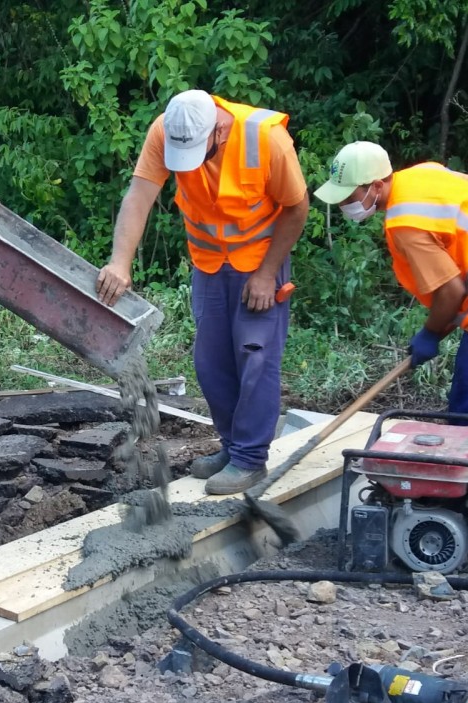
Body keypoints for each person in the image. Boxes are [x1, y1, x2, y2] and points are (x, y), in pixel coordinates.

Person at [96, 89, 309, 494]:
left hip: (261, 264)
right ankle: (231, 448)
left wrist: (267, 275)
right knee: (211, 364)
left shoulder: (266, 139)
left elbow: (296, 208)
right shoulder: (167, 129)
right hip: (209, 264)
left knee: (255, 359)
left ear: (220, 130)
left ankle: (249, 459)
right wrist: (119, 262)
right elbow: (140, 195)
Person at [314, 141, 468, 416]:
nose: (343, 205)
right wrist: (438, 329)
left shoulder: (407, 222)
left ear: (376, 186)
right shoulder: (423, 175)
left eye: (349, 197)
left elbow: (452, 290)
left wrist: (430, 333)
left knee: (463, 415)